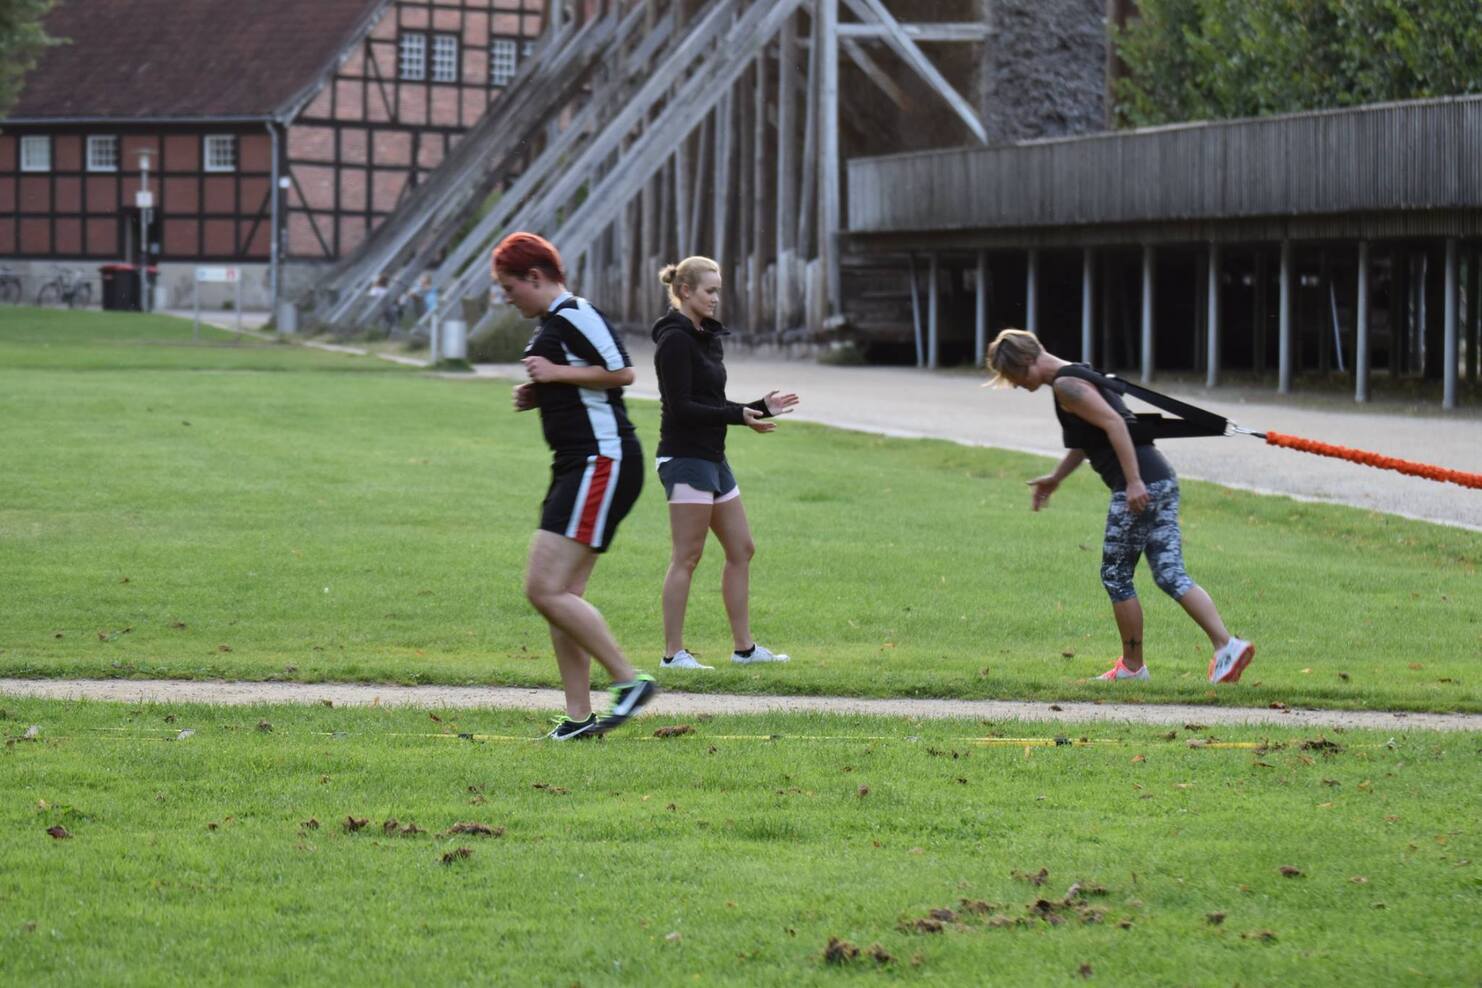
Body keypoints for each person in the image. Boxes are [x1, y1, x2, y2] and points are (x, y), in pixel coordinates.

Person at [985, 328, 1254, 684]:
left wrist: (1132, 482)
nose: (1017, 385)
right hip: (1160, 479)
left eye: (1015, 377)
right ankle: (1227, 646)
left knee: (1116, 574)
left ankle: (1131, 668)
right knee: (1169, 572)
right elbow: (1090, 439)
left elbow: (1115, 425)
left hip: (1140, 486)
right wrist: (1056, 477)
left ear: (1025, 361)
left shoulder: (1067, 385)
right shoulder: (1076, 375)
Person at [494, 232, 657, 738]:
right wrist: (542, 394)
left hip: (600, 461)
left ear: (535, 277)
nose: (507, 298)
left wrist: (556, 374)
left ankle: (628, 681)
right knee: (563, 597)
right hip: (578, 464)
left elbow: (623, 373)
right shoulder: (553, 323)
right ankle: (579, 716)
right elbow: (584, 385)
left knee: (543, 589)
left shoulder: (575, 313)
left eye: (509, 287)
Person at [650, 256, 799, 670]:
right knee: (688, 556)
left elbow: (712, 404)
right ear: (684, 292)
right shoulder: (675, 340)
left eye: (718, 290)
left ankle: (744, 650)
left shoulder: (707, 337)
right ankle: (672, 655)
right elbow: (681, 408)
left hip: (713, 457)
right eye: (709, 291)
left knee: (741, 548)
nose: (716, 298)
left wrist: (758, 409)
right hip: (684, 456)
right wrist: (737, 416)